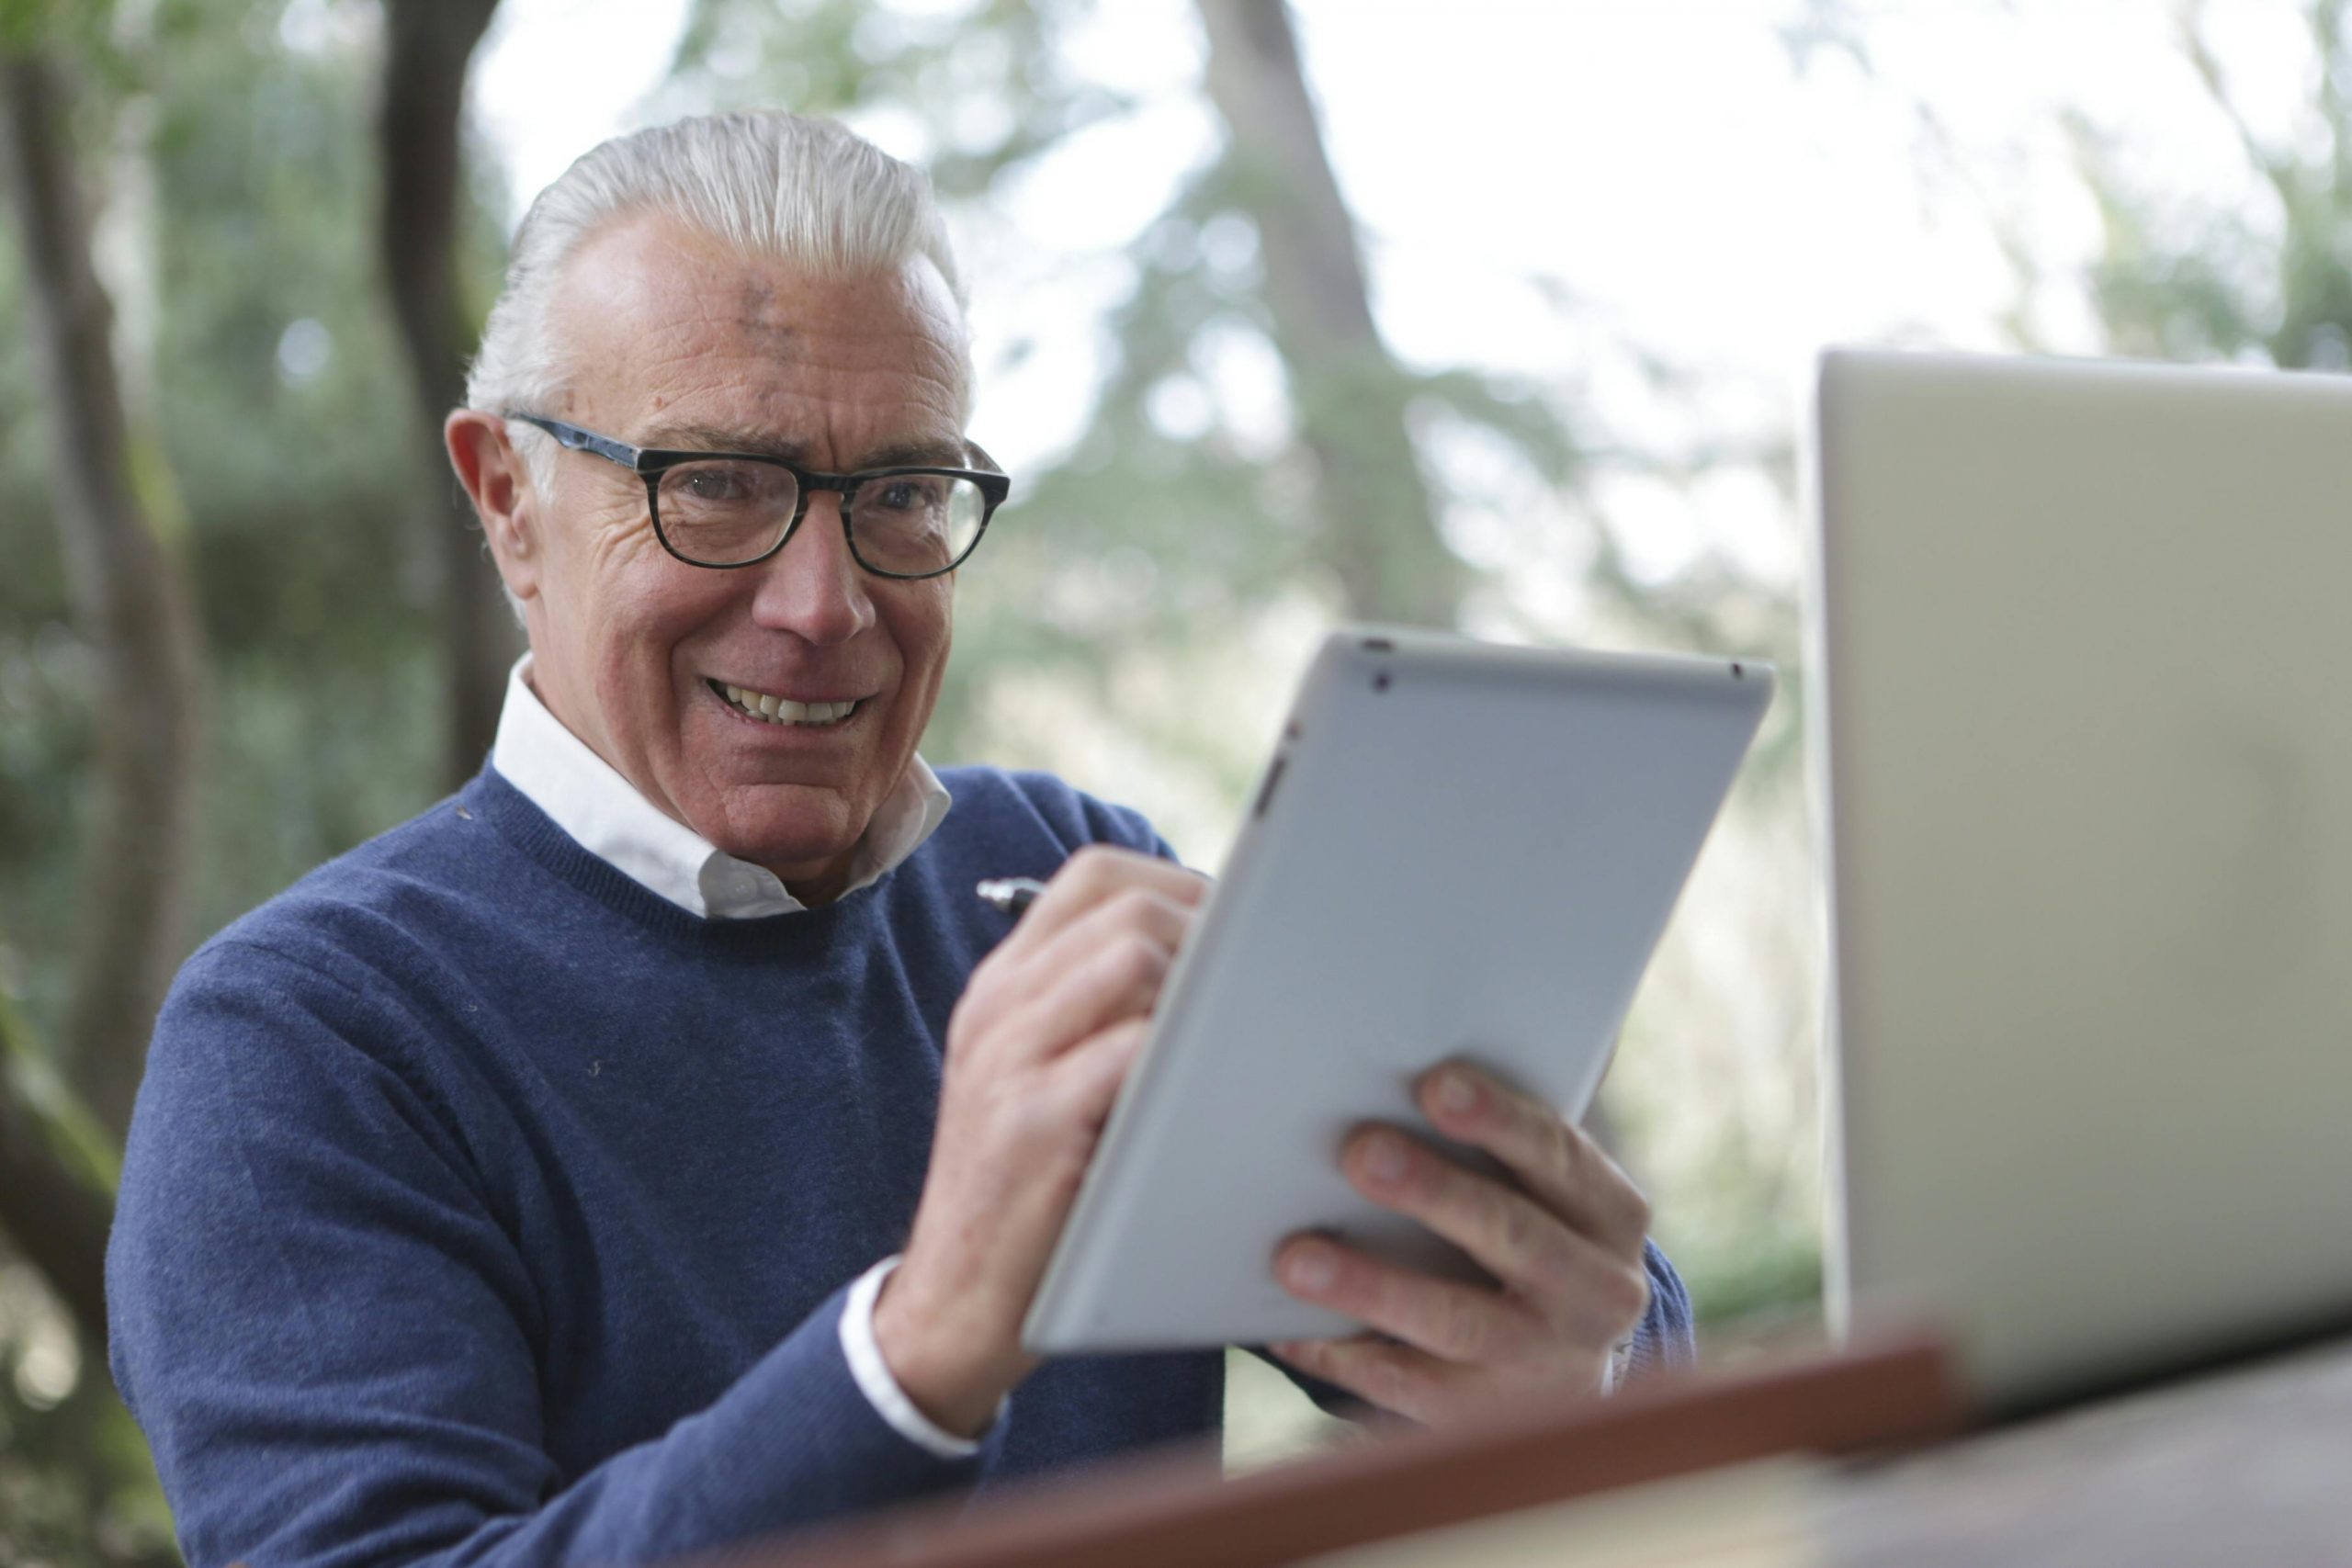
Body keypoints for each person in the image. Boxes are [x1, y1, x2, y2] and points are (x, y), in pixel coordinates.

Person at [105, 111, 1693, 1568]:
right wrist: (917, 1351)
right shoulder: (304, 1045)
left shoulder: (1064, 880)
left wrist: (1579, 1356)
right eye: (713, 485)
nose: (823, 604)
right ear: (508, 495)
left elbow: (1545, 1346)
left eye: (902, 494)